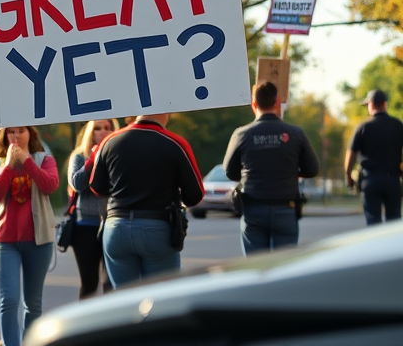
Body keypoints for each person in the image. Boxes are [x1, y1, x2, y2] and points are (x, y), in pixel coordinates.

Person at [89, 113, 203, 288]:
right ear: (166, 112)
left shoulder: (110, 141)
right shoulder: (174, 142)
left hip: (116, 227)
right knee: (160, 297)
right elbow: (195, 195)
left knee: (125, 298)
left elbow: (97, 187)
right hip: (157, 227)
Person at [223, 81, 320, 254]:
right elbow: (312, 169)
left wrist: (248, 175)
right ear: (277, 102)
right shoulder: (295, 134)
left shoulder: (242, 134)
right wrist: (291, 173)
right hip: (285, 208)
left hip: (253, 209)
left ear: (254, 104)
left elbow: (230, 171)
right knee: (284, 265)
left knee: (256, 264)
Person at [0, 126, 58, 346]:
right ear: (4, 136)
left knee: (33, 303)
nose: (16, 136)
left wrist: (27, 162)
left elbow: (50, 185)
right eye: (11, 132)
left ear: (30, 134)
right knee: (9, 299)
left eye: (21, 131)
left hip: (38, 240)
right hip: (4, 240)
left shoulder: (44, 160)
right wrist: (7, 166)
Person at [67, 119, 119, 299]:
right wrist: (93, 159)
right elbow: (77, 184)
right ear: (90, 132)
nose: (103, 131)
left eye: (107, 128)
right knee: (89, 283)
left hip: (113, 223)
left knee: (111, 282)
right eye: (97, 128)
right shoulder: (79, 156)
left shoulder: (119, 153)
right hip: (86, 225)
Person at [345, 89, 403, 225]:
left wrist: (348, 177)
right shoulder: (398, 125)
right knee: (394, 222)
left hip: (370, 180)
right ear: (385, 104)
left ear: (371, 105)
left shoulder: (363, 127)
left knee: (373, 222)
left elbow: (351, 154)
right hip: (393, 180)